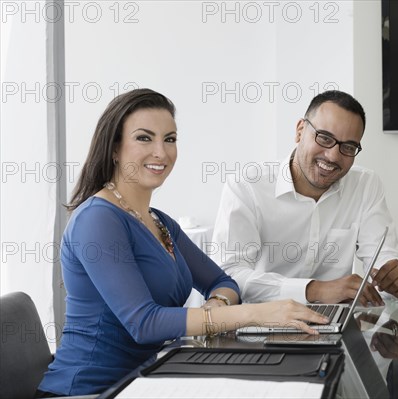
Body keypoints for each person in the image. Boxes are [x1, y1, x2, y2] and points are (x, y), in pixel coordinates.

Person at [36, 89, 328, 397]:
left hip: (145, 380)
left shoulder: (159, 221)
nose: (161, 152)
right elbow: (144, 323)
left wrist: (217, 304)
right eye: (144, 138)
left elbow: (222, 281)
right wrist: (257, 313)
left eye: (170, 139)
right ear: (114, 148)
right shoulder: (97, 220)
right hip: (87, 390)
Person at [211, 90, 398, 306]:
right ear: (300, 131)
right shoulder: (247, 186)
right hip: (261, 325)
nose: (332, 156)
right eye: (324, 138)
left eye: (348, 147)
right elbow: (229, 275)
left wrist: (397, 282)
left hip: (334, 326)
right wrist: (314, 290)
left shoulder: (365, 185)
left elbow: (383, 260)